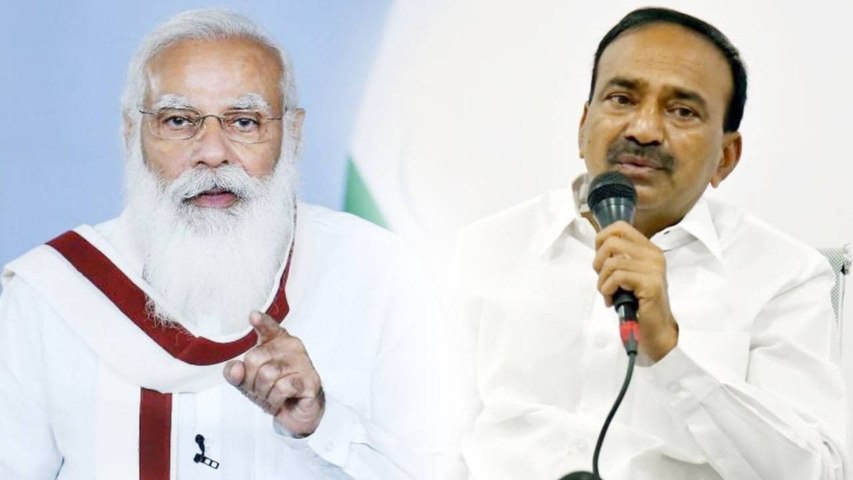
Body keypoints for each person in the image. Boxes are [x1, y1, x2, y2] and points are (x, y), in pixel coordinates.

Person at [0, 9, 437, 479]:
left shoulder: (378, 272)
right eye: (178, 120)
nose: (212, 153)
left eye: (244, 122)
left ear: (292, 133)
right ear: (132, 134)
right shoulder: (50, 294)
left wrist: (322, 423)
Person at [455, 7, 847, 480]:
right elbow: (433, 437)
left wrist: (670, 349)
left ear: (726, 157)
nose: (643, 130)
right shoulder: (489, 247)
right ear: (583, 126)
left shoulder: (783, 275)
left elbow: (818, 471)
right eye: (622, 99)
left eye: (682, 111)